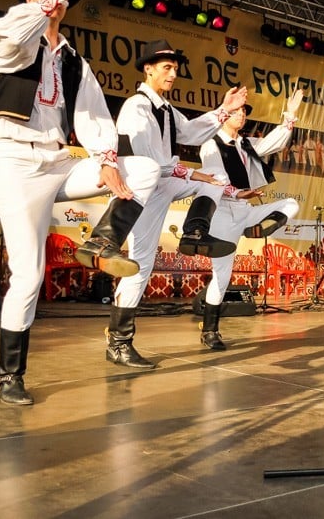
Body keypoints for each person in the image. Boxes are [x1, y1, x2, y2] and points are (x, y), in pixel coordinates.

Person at [0, 0, 161, 405]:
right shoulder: (13, 40)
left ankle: (100, 242)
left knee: (141, 168)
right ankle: (9, 376)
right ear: (30, 1)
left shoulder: (73, 61)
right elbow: (3, 30)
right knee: (29, 274)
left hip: (58, 162)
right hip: (16, 162)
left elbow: (94, 117)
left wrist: (106, 158)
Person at [110, 40, 247, 368]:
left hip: (165, 181)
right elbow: (148, 160)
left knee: (215, 173)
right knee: (140, 265)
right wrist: (190, 173)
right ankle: (119, 342)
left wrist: (224, 110)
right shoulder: (136, 107)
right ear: (149, 69)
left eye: (175, 68)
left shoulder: (167, 110)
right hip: (141, 190)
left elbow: (190, 132)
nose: (173, 74)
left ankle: (195, 232)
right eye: (167, 68)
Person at [198, 89, 304, 350]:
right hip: (224, 210)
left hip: (246, 208)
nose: (242, 115)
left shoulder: (246, 144)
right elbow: (214, 178)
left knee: (291, 203)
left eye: (244, 111)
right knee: (222, 274)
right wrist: (236, 191)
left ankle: (256, 228)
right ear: (224, 115)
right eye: (236, 111)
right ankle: (210, 330)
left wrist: (290, 114)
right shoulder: (211, 144)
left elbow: (274, 143)